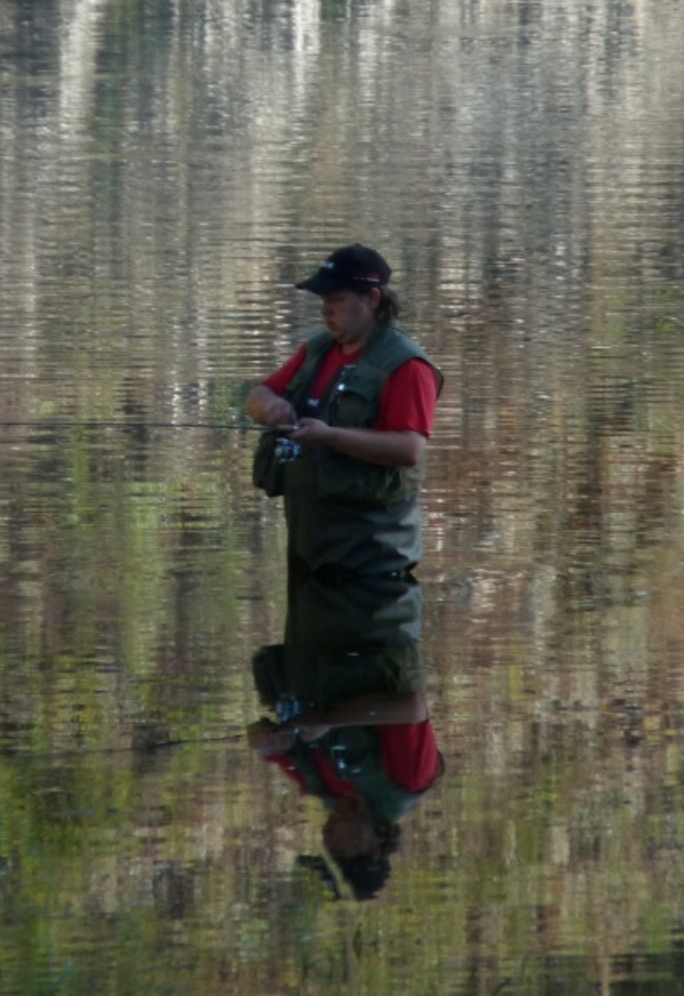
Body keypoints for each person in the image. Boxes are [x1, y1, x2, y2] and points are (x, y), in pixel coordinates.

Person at [245, 244, 443, 587]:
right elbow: (258, 395)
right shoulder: (318, 350)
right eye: (323, 301)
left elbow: (410, 449)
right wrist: (271, 408)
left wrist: (330, 436)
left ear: (371, 298)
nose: (325, 310)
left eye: (336, 299)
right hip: (312, 555)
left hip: (372, 566)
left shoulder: (407, 365)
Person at [246, 574, 444, 901]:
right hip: (371, 597)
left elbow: (266, 746)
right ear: (374, 848)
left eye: (325, 850)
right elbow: (412, 709)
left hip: (311, 600)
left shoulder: (318, 786)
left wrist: (265, 740)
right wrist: (328, 719)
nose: (326, 839)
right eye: (339, 851)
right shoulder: (405, 783)